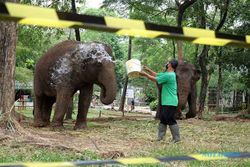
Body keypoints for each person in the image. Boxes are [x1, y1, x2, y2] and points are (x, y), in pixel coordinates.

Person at [139, 59, 180, 142]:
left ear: (170, 65)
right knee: (163, 119)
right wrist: (148, 70)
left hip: (170, 101)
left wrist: (145, 74)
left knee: (170, 119)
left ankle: (177, 139)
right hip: (167, 101)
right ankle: (160, 138)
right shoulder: (167, 74)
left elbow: (156, 79)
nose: (167, 63)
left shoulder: (170, 75)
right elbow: (157, 75)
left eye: (168, 62)